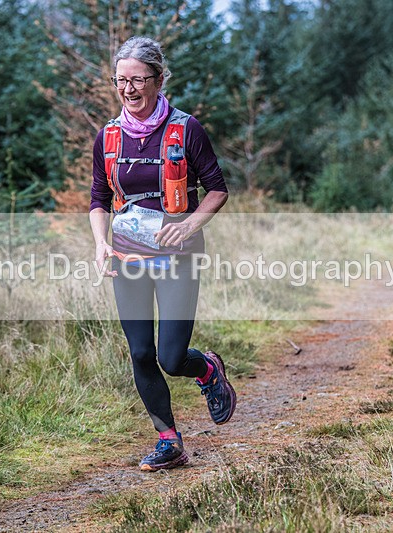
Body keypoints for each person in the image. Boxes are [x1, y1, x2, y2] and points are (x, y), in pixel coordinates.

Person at [89, 36, 236, 472]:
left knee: (171, 358)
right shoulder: (108, 137)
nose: (129, 89)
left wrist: (190, 224)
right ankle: (168, 440)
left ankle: (207, 369)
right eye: (121, 81)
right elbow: (98, 197)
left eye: (138, 80)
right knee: (139, 353)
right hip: (128, 257)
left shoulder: (185, 129)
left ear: (158, 79)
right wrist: (100, 242)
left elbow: (217, 190)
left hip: (178, 256)